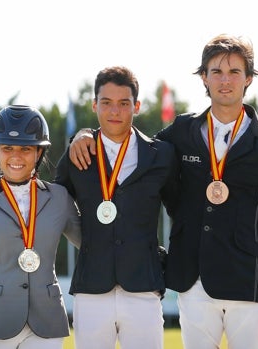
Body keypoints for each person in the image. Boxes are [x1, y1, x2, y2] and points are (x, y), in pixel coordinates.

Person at [68, 34, 258, 349]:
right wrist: (85, 134)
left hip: (250, 280)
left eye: (234, 72)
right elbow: (129, 141)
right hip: (193, 282)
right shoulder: (181, 132)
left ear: (248, 78)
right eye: (216, 71)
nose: (225, 80)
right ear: (203, 77)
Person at [55, 66, 180, 349]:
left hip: (144, 287)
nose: (114, 111)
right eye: (106, 103)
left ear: (136, 106)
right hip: (91, 288)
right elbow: (50, 203)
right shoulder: (77, 152)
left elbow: (183, 212)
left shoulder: (162, 155)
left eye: (124, 103)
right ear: (94, 104)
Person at [0, 105, 81, 349]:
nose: (16, 156)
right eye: (7, 148)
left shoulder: (60, 198)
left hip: (47, 323)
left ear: (38, 153)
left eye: (26, 148)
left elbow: (91, 244)